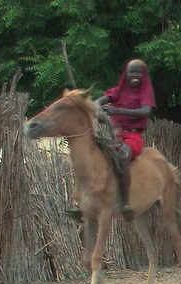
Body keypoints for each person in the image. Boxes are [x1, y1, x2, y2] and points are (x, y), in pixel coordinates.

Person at [65, 59, 156, 222]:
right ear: (126, 74)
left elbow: (145, 111)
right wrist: (98, 109)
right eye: (131, 72)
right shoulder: (118, 91)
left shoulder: (145, 92)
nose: (134, 76)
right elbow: (99, 101)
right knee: (91, 159)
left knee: (122, 156)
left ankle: (125, 203)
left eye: (137, 73)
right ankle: (82, 204)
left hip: (133, 136)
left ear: (143, 75)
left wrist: (117, 110)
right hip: (114, 135)